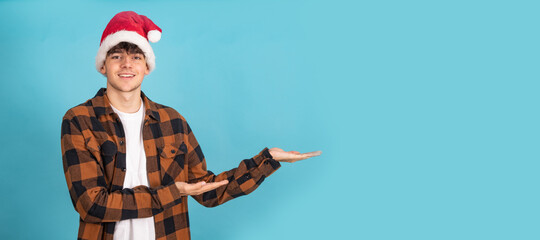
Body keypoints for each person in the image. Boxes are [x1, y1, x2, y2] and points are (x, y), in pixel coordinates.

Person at [60, 11, 321, 240]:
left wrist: (266, 160)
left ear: (147, 67)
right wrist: (173, 191)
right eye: (117, 56)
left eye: (136, 57)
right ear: (103, 65)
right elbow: (91, 204)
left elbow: (207, 190)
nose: (127, 64)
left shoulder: (173, 122)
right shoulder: (80, 120)